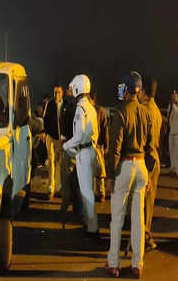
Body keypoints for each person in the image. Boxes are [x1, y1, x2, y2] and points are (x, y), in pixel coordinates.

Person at [106, 71, 155, 279]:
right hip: (142, 165)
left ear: (127, 89)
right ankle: (137, 264)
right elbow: (153, 146)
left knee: (117, 219)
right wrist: (150, 175)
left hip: (124, 167)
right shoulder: (147, 112)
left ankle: (114, 264)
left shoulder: (119, 112)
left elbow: (114, 149)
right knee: (138, 220)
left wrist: (109, 176)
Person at [62, 74, 99, 238]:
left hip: (83, 152)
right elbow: (95, 132)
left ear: (77, 88)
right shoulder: (91, 107)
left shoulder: (80, 108)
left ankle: (92, 228)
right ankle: (90, 223)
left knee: (86, 192)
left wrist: (65, 145)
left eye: (72, 88)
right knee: (88, 190)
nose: (70, 91)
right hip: (90, 150)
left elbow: (78, 136)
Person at [139, 79, 162, 250]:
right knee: (149, 201)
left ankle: (144, 237)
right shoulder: (156, 110)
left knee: (143, 201)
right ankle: (145, 234)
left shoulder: (144, 110)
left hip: (147, 159)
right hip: (155, 158)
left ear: (144, 93)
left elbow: (143, 140)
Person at [58, 84, 79, 221]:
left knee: (66, 178)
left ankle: (65, 205)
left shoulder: (68, 108)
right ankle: (78, 207)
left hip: (69, 145)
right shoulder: (82, 107)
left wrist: (62, 143)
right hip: (80, 147)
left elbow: (64, 129)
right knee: (78, 181)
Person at [44, 86, 64, 198]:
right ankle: (51, 187)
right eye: (55, 92)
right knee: (51, 160)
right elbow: (45, 118)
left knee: (59, 162)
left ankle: (59, 187)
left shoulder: (65, 105)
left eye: (59, 92)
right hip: (51, 137)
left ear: (62, 93)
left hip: (61, 138)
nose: (57, 94)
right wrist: (45, 132)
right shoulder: (50, 104)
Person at [90, 92, 109, 202]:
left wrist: (105, 144)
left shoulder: (98, 111)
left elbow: (105, 128)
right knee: (96, 170)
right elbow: (105, 128)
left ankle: (101, 192)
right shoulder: (100, 111)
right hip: (96, 144)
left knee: (99, 170)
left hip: (97, 144)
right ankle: (98, 193)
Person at [167, 91, 178, 177]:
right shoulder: (169, 105)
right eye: (172, 96)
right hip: (171, 130)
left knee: (177, 151)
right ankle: (172, 168)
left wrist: (174, 105)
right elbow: (169, 117)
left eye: (175, 96)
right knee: (171, 150)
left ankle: (177, 170)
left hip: (177, 131)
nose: (173, 97)